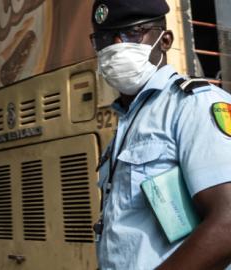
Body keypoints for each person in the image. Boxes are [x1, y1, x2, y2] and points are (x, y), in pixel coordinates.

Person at [90, 0, 231, 269]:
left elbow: (228, 224)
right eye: (106, 38)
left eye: (133, 33)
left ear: (165, 41)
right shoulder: (128, 122)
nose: (117, 46)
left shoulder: (193, 105)